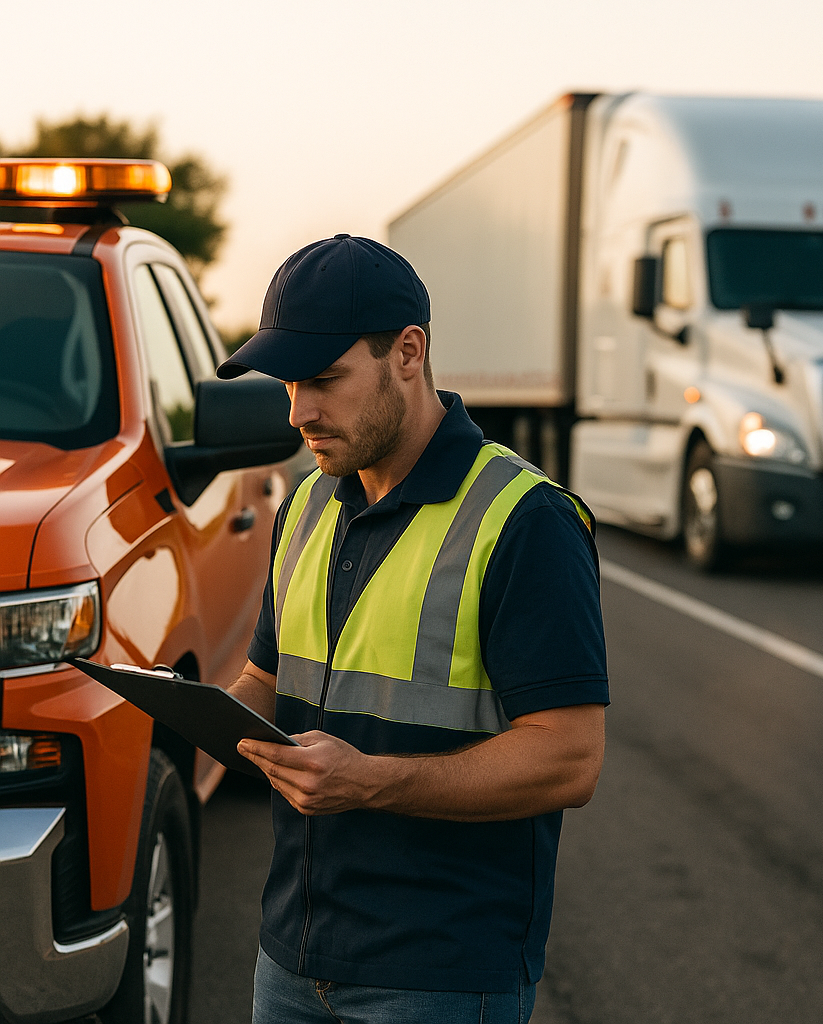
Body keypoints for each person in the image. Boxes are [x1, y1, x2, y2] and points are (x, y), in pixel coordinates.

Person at [218, 234, 608, 1024]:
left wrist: (371, 780)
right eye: (291, 384)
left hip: (441, 975)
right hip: (291, 952)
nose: (300, 413)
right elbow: (266, 680)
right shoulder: (308, 503)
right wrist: (177, 718)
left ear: (408, 352)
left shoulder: (524, 520)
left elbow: (569, 759)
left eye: (325, 381)